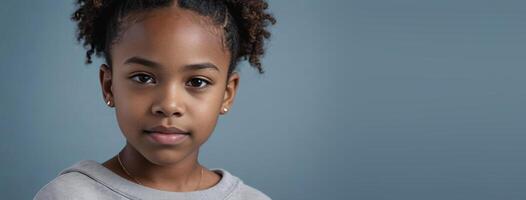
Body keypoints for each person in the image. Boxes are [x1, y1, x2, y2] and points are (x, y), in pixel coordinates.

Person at [34, 0, 276, 199]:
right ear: (109, 86)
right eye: (143, 78)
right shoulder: (69, 195)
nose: (169, 105)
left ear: (227, 94)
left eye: (197, 82)